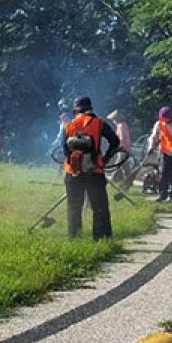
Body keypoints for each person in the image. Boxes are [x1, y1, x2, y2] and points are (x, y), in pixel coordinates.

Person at [63, 96, 120, 240]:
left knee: (74, 207)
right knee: (99, 207)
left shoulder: (69, 125)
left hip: (73, 172)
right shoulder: (99, 123)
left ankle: (74, 237)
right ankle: (101, 238)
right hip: (94, 171)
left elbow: (64, 150)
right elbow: (115, 141)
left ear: (75, 109)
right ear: (90, 108)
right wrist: (105, 159)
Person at [146, 106, 172, 202]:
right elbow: (154, 137)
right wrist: (151, 147)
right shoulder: (159, 124)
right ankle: (162, 195)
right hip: (166, 152)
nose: (165, 121)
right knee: (164, 174)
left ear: (171, 116)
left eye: (167, 119)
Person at [106, 110, 133, 181]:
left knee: (118, 164)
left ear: (116, 119)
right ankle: (128, 180)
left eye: (113, 120)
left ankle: (114, 178)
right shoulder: (122, 125)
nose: (113, 121)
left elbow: (122, 138)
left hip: (123, 149)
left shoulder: (121, 126)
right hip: (125, 149)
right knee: (125, 166)